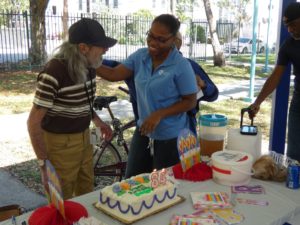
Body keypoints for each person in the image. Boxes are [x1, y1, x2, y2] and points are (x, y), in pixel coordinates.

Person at [97, 14, 198, 178]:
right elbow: (114, 74)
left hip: (170, 138)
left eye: (161, 39)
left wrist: (159, 114)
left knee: (164, 186)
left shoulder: (181, 65)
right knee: (133, 182)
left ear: (173, 40)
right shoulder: (140, 56)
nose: (153, 42)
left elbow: (190, 101)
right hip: (143, 132)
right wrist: (89, 62)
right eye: (151, 36)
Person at [27, 18, 115, 199]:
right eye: (101, 45)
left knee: (86, 191)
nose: (106, 50)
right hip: (60, 144)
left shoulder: (90, 66)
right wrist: (44, 165)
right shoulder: (54, 71)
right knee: (61, 196)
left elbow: (83, 102)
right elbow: (33, 122)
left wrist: (98, 122)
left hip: (85, 137)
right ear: (83, 48)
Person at [248, 2, 300, 162]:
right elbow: (275, 77)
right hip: (299, 101)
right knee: (294, 153)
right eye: (287, 26)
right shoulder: (288, 46)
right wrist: (257, 103)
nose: (290, 30)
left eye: (293, 24)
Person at [174, 31, 219, 135]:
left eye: (162, 39)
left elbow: (214, 94)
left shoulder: (190, 66)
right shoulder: (148, 65)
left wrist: (203, 84)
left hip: (185, 127)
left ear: (177, 42)